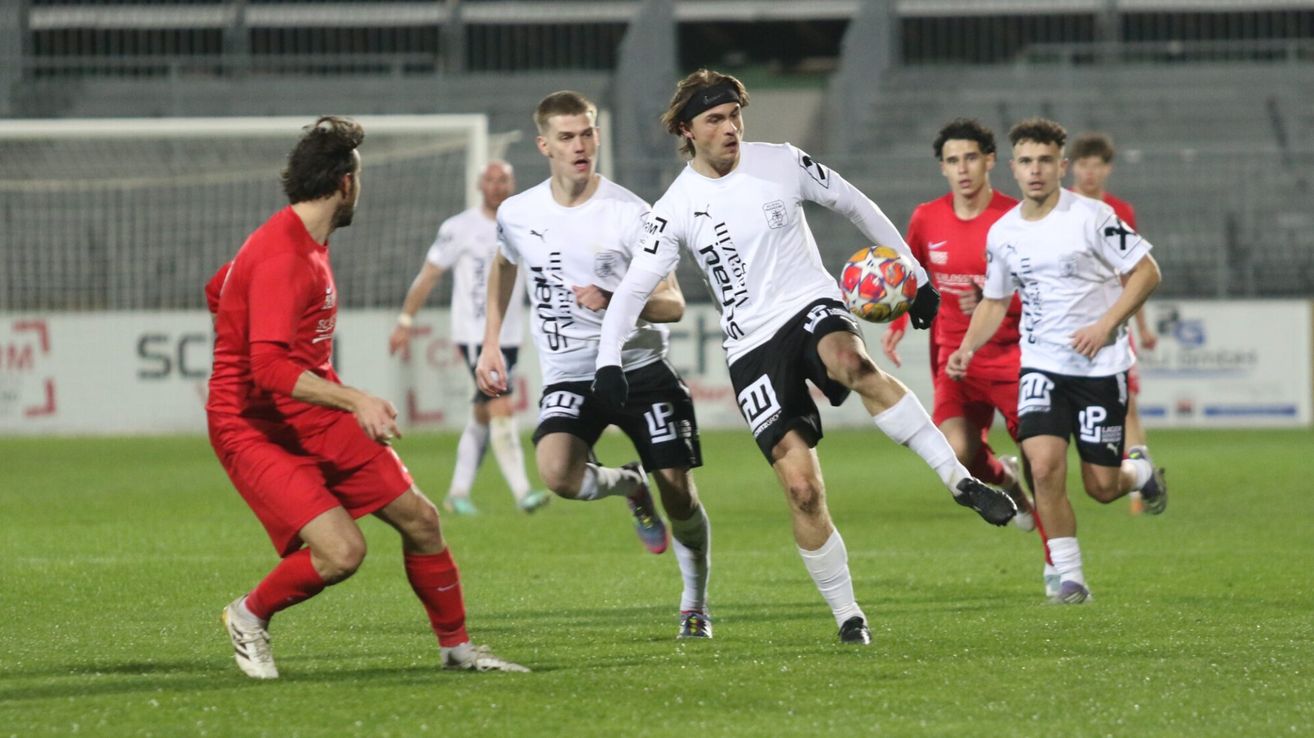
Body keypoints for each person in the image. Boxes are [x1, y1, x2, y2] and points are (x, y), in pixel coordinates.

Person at [591, 70, 1017, 646]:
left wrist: (914, 277)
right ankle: (848, 615)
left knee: (853, 363)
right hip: (750, 346)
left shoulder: (782, 161)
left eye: (734, 116)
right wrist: (607, 362)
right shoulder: (673, 210)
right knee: (802, 489)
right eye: (714, 120)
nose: (730, 128)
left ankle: (958, 480)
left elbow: (856, 205)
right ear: (687, 131)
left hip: (810, 303)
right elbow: (632, 292)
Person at [206, 116, 526, 678]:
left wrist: (239, 316)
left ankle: (457, 650)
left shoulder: (296, 242)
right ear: (346, 183)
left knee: (423, 521)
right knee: (342, 553)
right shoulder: (287, 258)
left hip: (309, 409)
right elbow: (269, 367)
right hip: (254, 424)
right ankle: (248, 615)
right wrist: (355, 399)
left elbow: (220, 287)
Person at [474, 91, 714, 639]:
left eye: (587, 134)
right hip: (571, 372)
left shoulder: (632, 214)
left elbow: (674, 304)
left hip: (641, 370)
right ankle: (629, 485)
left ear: (597, 136)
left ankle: (694, 602)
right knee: (558, 474)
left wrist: (615, 298)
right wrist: (492, 341)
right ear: (544, 146)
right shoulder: (518, 213)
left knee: (678, 493)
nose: (579, 146)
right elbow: (504, 265)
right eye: (566, 137)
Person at [947, 117, 1168, 605]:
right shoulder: (1003, 232)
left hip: (1100, 367)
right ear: (1013, 168)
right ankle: (1070, 578)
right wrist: (967, 346)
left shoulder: (1092, 216)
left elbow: (1147, 272)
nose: (1036, 170)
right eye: (1026, 161)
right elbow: (995, 300)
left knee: (1103, 487)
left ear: (1061, 166)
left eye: (1045, 161)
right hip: (1042, 366)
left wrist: (1106, 324)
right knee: (1043, 467)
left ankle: (1142, 474)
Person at [881, 118, 1040, 536]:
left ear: (989, 161)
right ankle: (1008, 483)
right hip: (954, 358)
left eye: (971, 157)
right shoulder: (926, 218)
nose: (963, 168)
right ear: (943, 168)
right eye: (953, 161)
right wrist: (898, 319)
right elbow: (909, 276)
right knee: (959, 452)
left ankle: (1058, 566)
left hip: (1016, 358)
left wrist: (996, 303)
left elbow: (1042, 289)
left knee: (1041, 459)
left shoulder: (1014, 216)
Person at [389, 160, 549, 517]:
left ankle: (458, 492)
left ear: (512, 183)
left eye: (503, 180)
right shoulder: (459, 227)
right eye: (491, 180)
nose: (497, 186)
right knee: (501, 406)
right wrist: (405, 319)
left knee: (482, 413)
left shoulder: (524, 223)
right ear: (480, 185)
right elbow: (429, 275)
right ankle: (523, 492)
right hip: (475, 336)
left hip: (508, 334)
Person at [1070, 132, 1158, 515]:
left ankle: (1139, 482)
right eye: (1084, 164)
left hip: (1113, 323)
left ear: (1108, 169)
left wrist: (1143, 327)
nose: (1090, 172)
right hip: (1070, 324)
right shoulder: (1059, 209)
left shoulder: (1121, 210)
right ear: (1072, 167)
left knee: (1129, 405)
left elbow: (1134, 276)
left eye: (1098, 165)